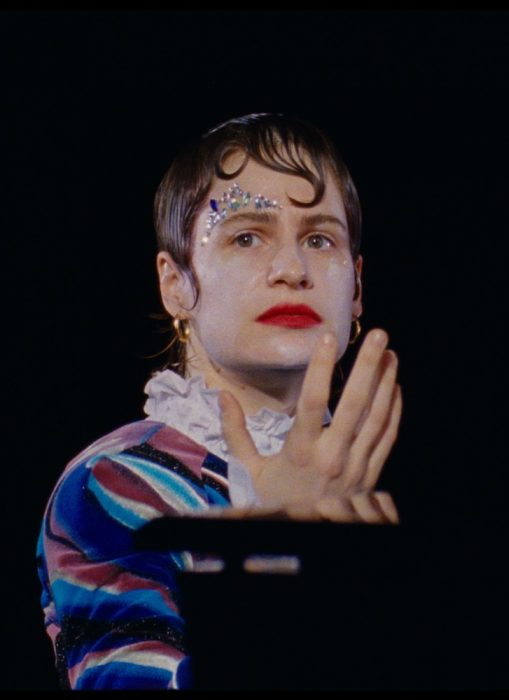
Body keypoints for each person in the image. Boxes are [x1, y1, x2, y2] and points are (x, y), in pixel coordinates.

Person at [36, 113, 402, 690]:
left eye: (319, 239)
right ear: (175, 282)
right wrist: (275, 552)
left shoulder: (380, 497)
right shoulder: (115, 485)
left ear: (356, 285)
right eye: (246, 236)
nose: (292, 270)